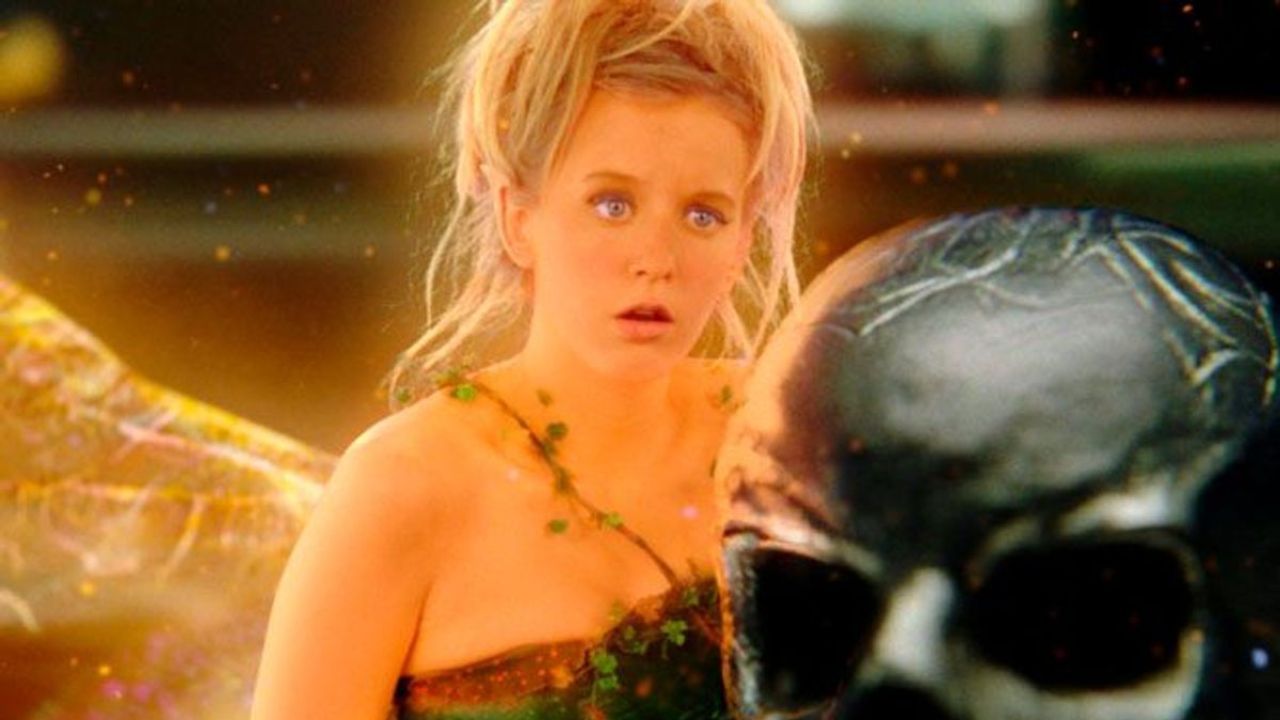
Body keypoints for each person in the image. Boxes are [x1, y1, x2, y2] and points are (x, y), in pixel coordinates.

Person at [250, 0, 814, 717]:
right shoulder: (403, 487)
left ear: (739, 246)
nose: (656, 259)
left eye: (703, 215)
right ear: (519, 218)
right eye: (612, 204)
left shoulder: (786, 445)